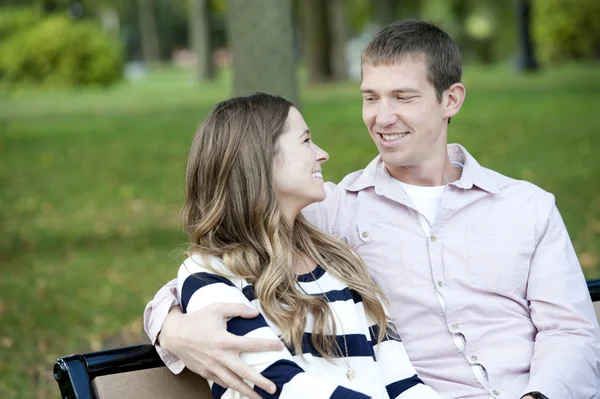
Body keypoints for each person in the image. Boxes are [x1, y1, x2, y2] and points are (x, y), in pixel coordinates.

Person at [144, 20, 600, 399]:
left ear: (451, 100)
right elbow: (220, 260)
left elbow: (571, 333)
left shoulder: (527, 208)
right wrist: (172, 329)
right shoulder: (330, 213)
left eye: (403, 97)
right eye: (370, 97)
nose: (381, 118)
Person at [165, 92, 441, 398]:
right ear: (261, 159)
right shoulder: (210, 273)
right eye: (306, 141)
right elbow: (278, 387)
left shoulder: (340, 262)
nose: (322, 154)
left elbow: (403, 383)